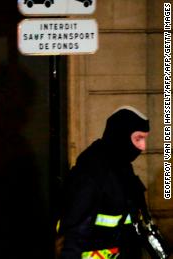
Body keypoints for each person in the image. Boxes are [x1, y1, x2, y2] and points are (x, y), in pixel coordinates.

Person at [58, 106, 150, 259]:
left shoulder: (122, 167)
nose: (143, 146)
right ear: (121, 135)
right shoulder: (92, 171)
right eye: (138, 138)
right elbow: (74, 233)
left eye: (145, 139)